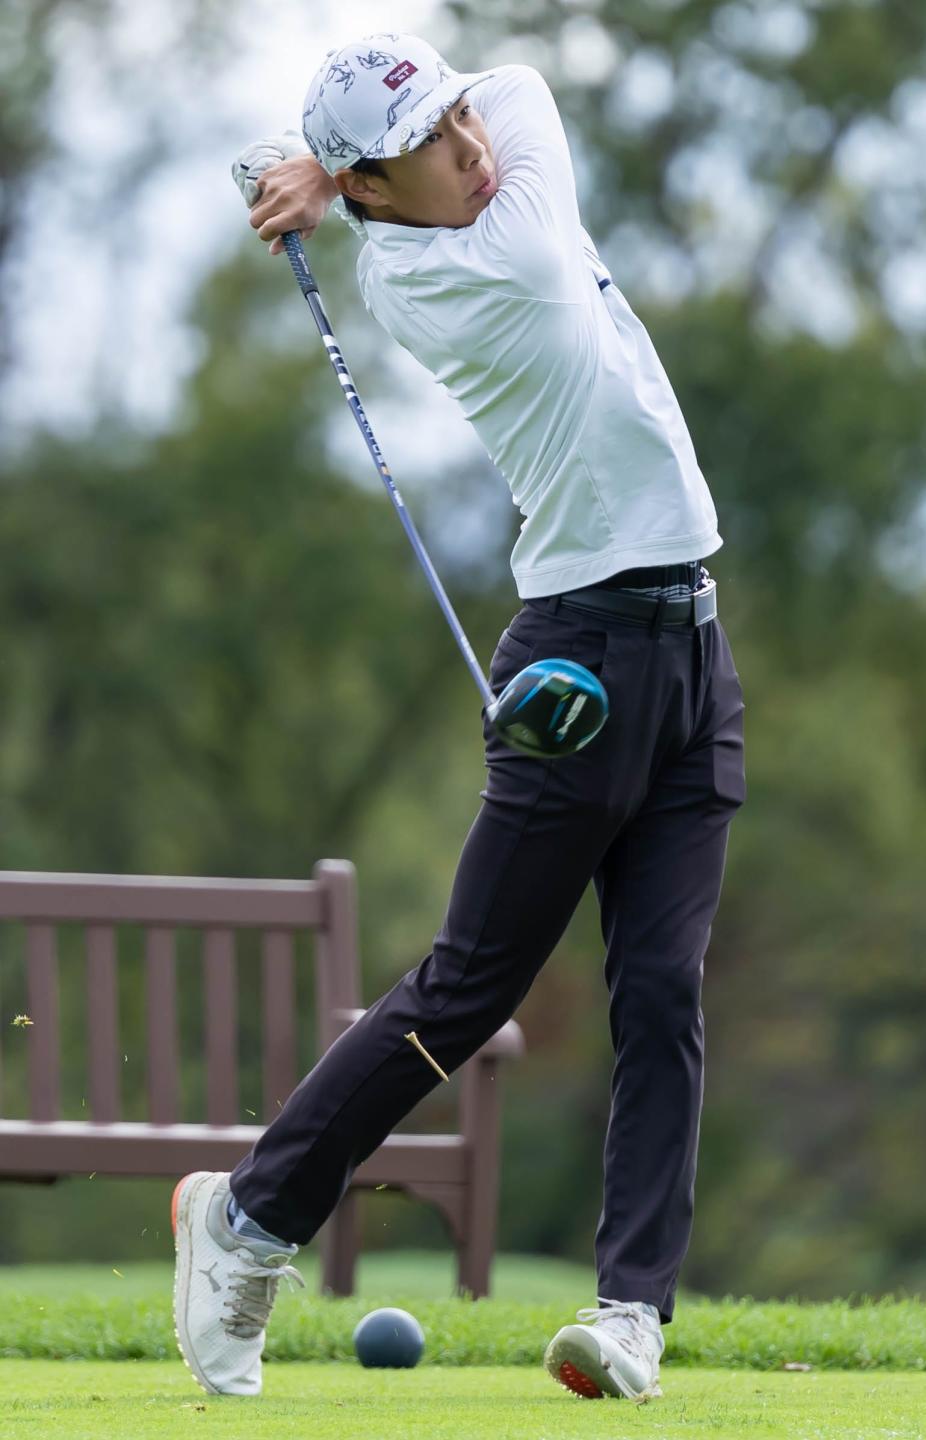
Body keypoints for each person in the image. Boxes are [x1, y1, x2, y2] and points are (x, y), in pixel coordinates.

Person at [171, 31, 745, 1403]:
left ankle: (628, 1316)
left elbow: (513, 86)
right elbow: (526, 103)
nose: (473, 147)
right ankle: (244, 1223)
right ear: (375, 199)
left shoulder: (473, 164)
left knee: (662, 988)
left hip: (693, 649)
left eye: (457, 121)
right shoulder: (465, 270)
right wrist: (340, 165)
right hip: (584, 659)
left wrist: (337, 150)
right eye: (433, 145)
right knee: (466, 988)